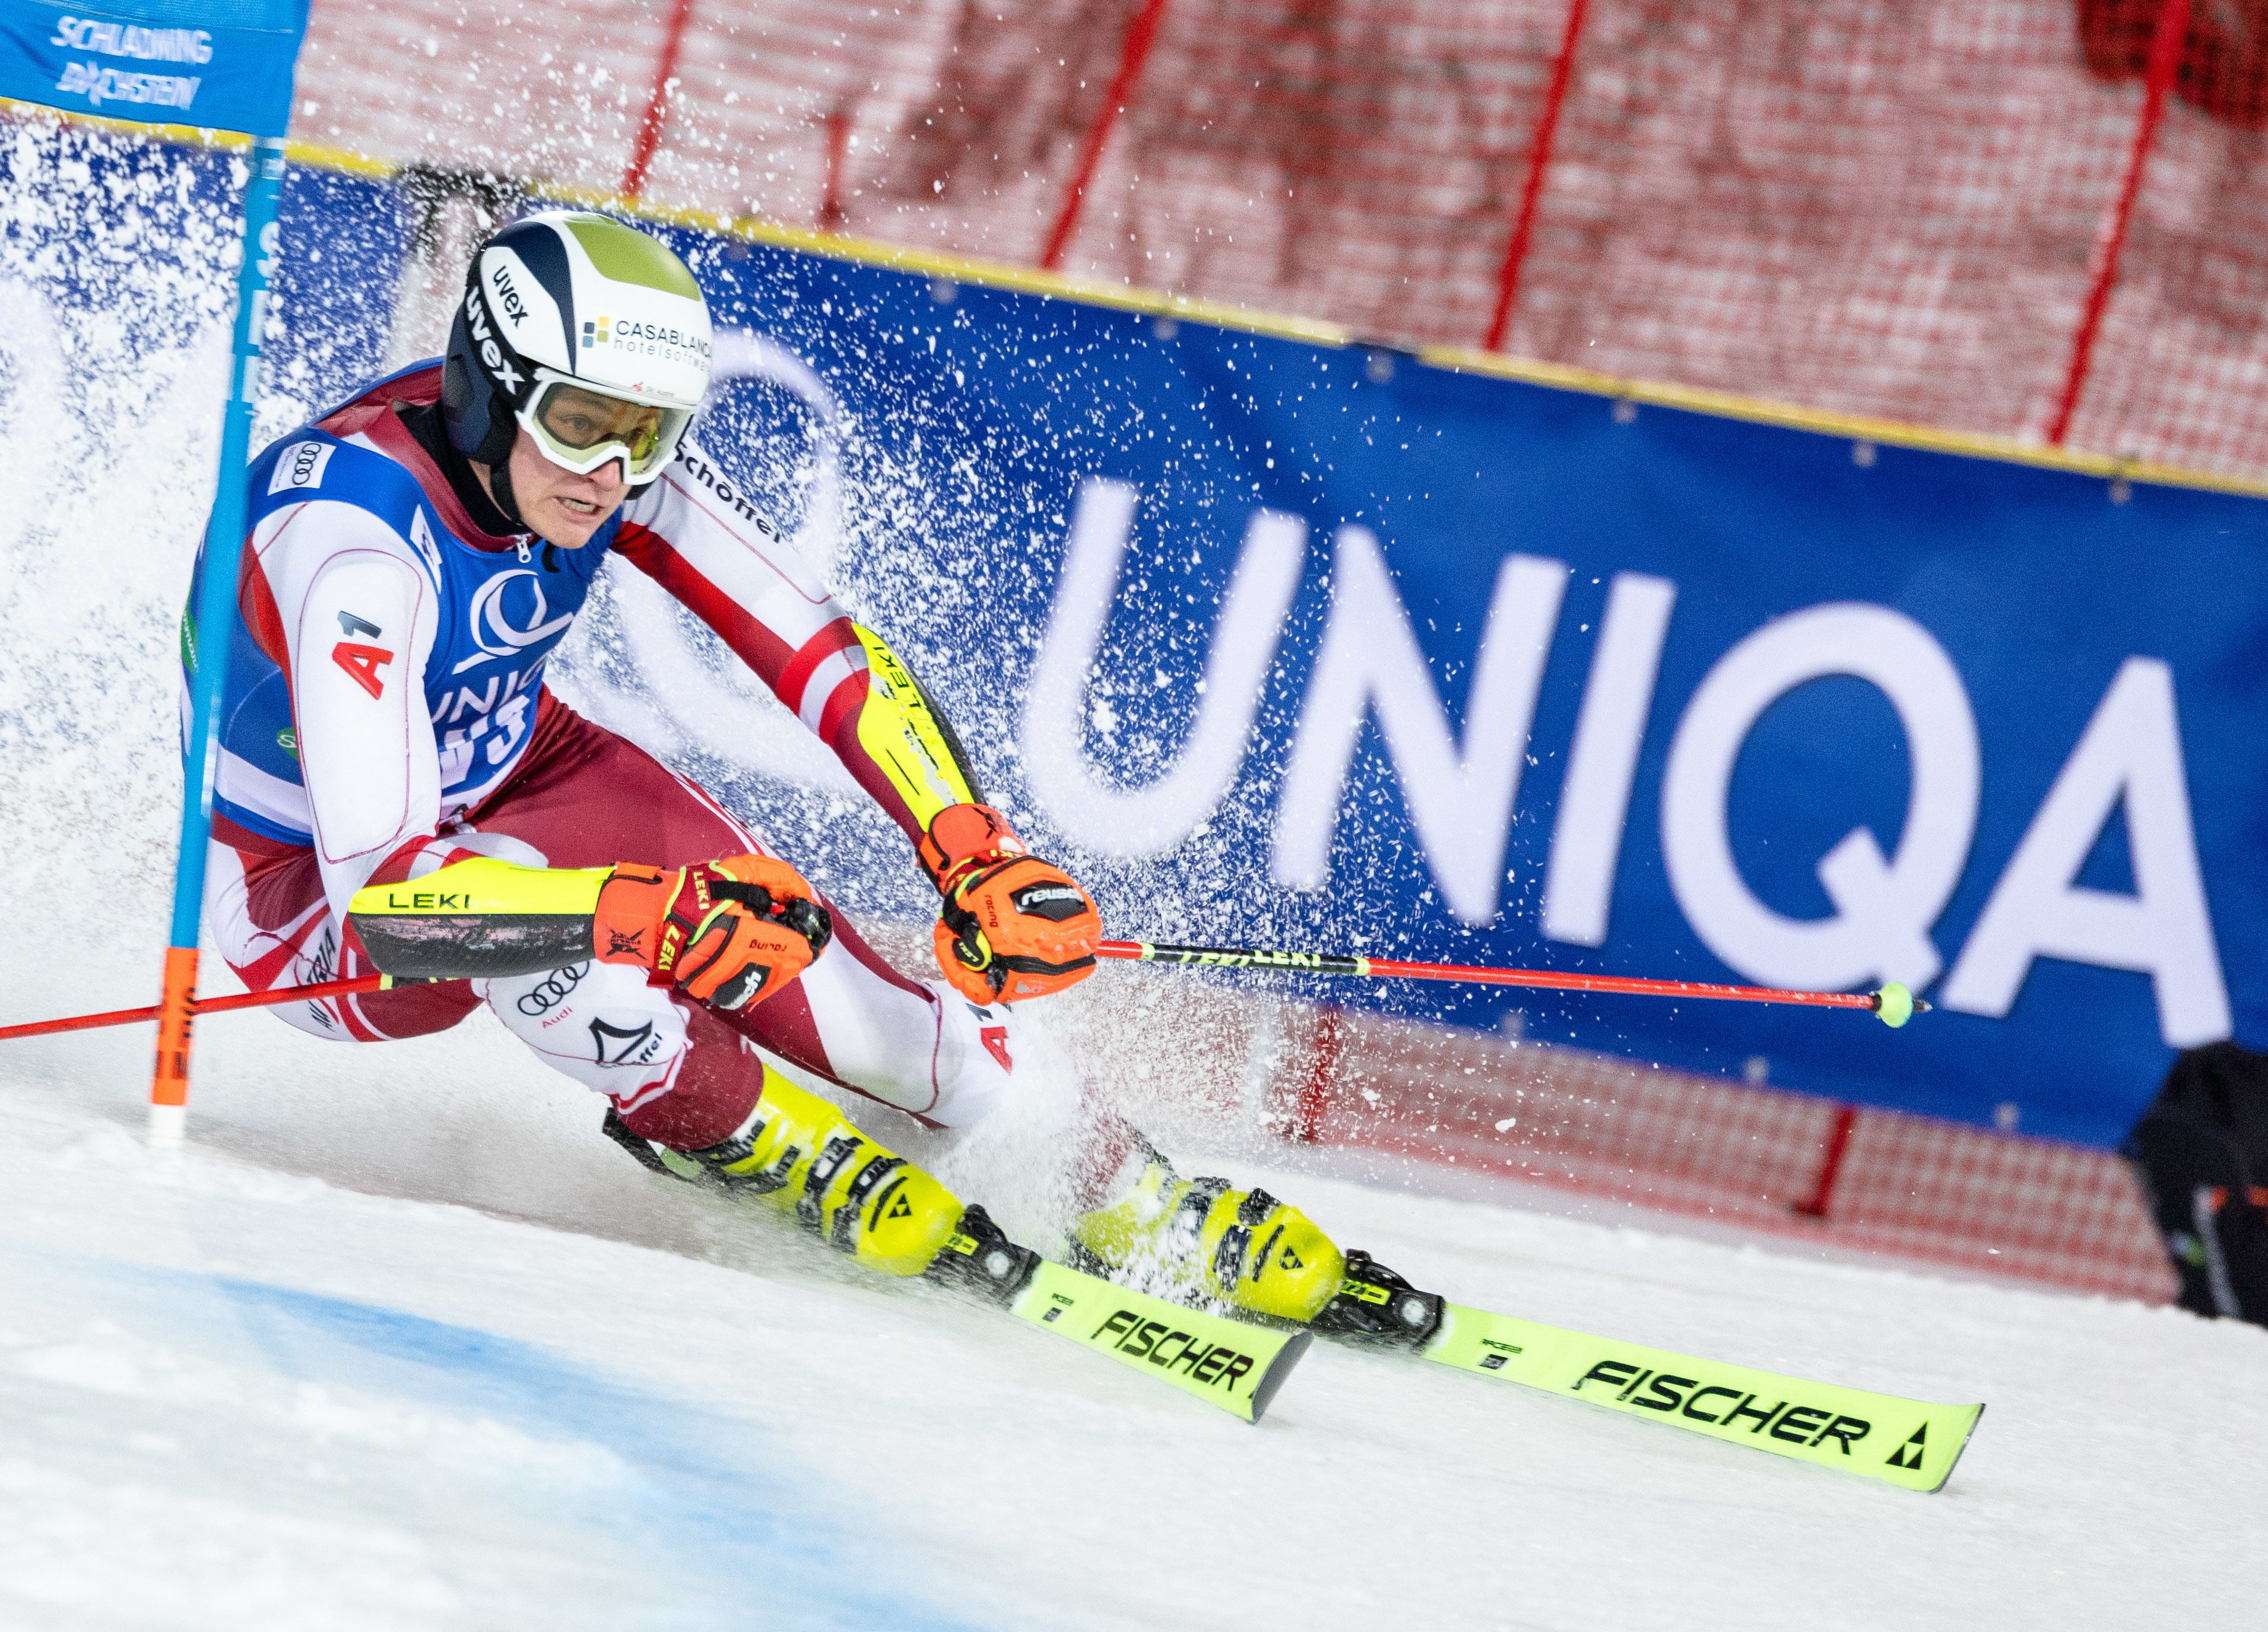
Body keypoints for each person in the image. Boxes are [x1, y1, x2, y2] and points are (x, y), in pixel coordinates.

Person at [189, 208, 1435, 1338]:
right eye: (580, 425)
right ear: (489, 388)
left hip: (523, 764)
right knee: (528, 913)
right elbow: (392, 900)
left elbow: (812, 640)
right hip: (313, 906)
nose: (611, 476)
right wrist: (642, 918)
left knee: (867, 1005)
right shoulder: (355, 550)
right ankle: (756, 1136)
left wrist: (966, 844)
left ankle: (1122, 1192)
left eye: (646, 435)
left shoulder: (595, 454)